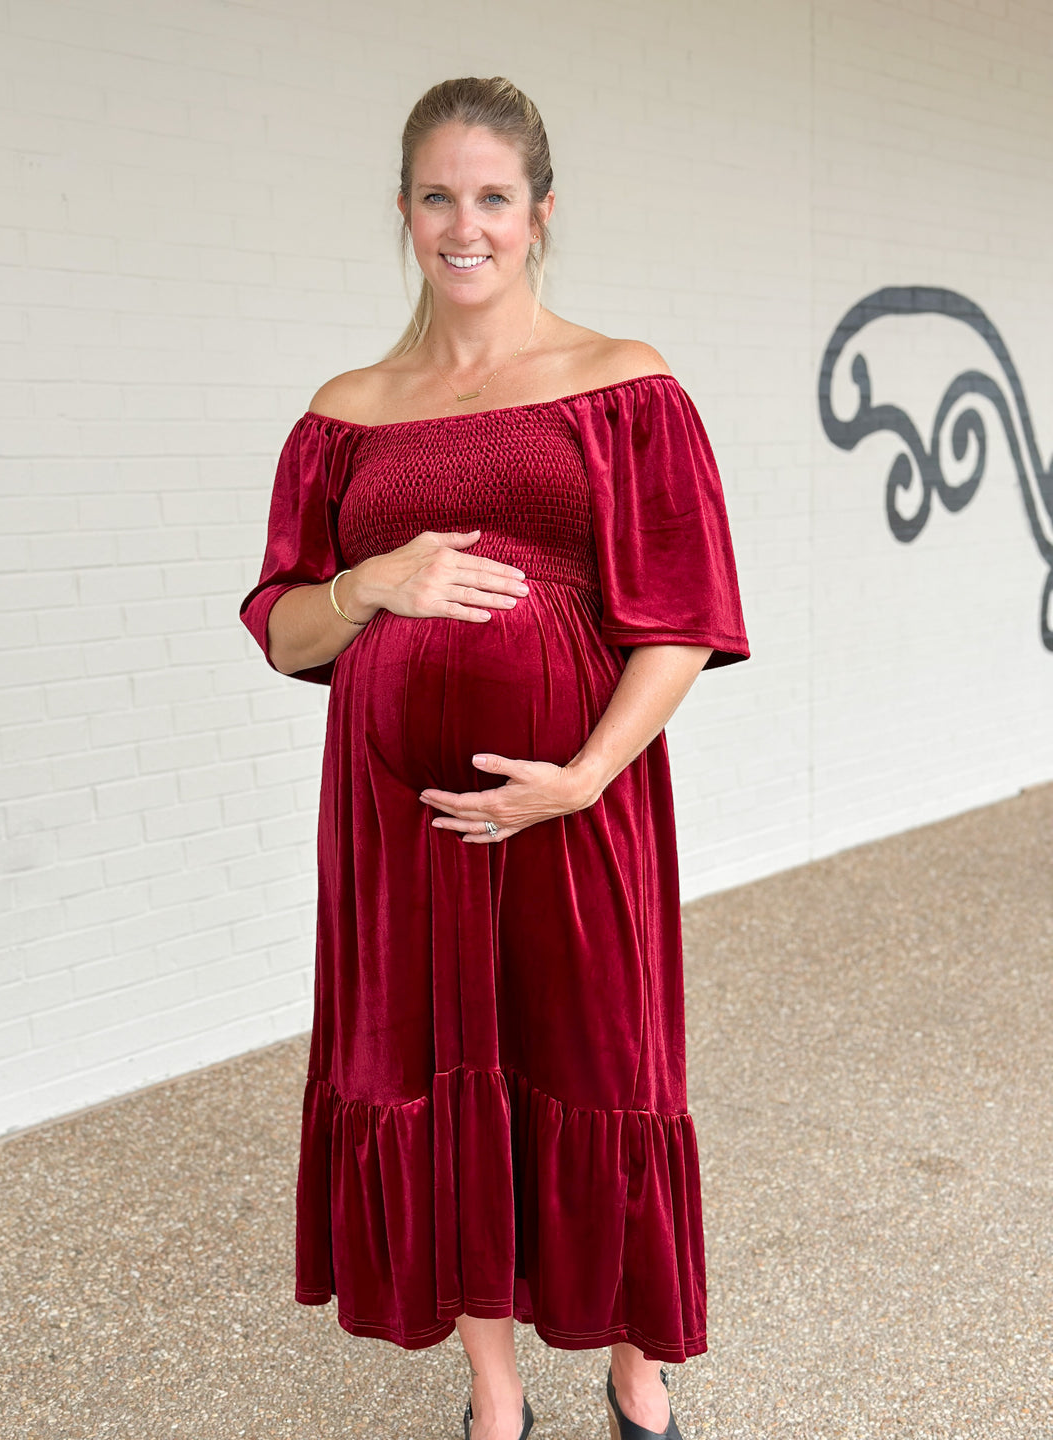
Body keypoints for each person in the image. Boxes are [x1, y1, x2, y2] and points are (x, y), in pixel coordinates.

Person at [240, 75, 749, 1440]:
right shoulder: (349, 410)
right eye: (437, 197)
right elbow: (283, 632)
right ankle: (495, 1395)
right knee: (438, 1070)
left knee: (604, 1070)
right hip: (399, 826)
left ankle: (637, 1377)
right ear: (404, 211)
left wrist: (583, 777)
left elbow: (684, 617)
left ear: (540, 212)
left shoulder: (622, 384)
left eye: (493, 198)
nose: (464, 226)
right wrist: (371, 584)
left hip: (576, 807)